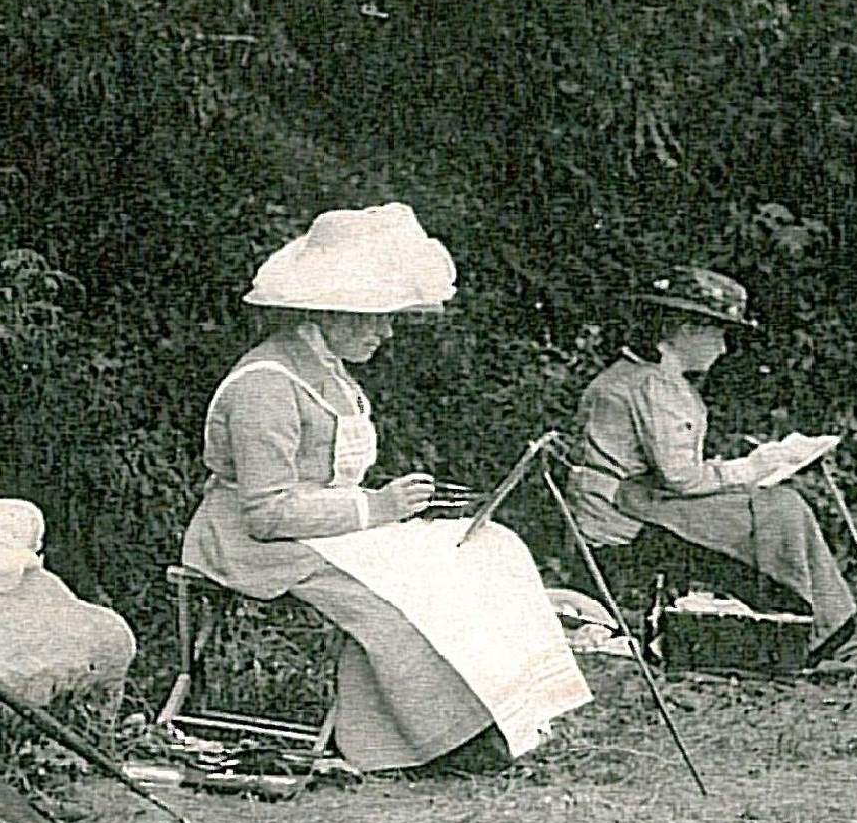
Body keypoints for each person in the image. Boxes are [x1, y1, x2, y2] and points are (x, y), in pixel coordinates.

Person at [180, 203, 592, 773]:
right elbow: (267, 514)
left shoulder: (325, 371)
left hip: (321, 530)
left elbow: (324, 483)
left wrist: (387, 512)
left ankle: (517, 712)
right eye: (374, 318)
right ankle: (431, 744)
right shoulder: (265, 386)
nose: (386, 331)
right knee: (399, 603)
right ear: (332, 312)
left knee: (485, 552)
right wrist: (376, 507)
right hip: (253, 547)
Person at [567, 265, 857, 666]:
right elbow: (682, 479)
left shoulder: (634, 374)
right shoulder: (654, 385)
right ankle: (813, 621)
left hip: (627, 503)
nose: (723, 348)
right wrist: (753, 467)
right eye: (718, 333)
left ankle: (812, 617)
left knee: (775, 505)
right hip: (625, 518)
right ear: (685, 329)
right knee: (780, 508)